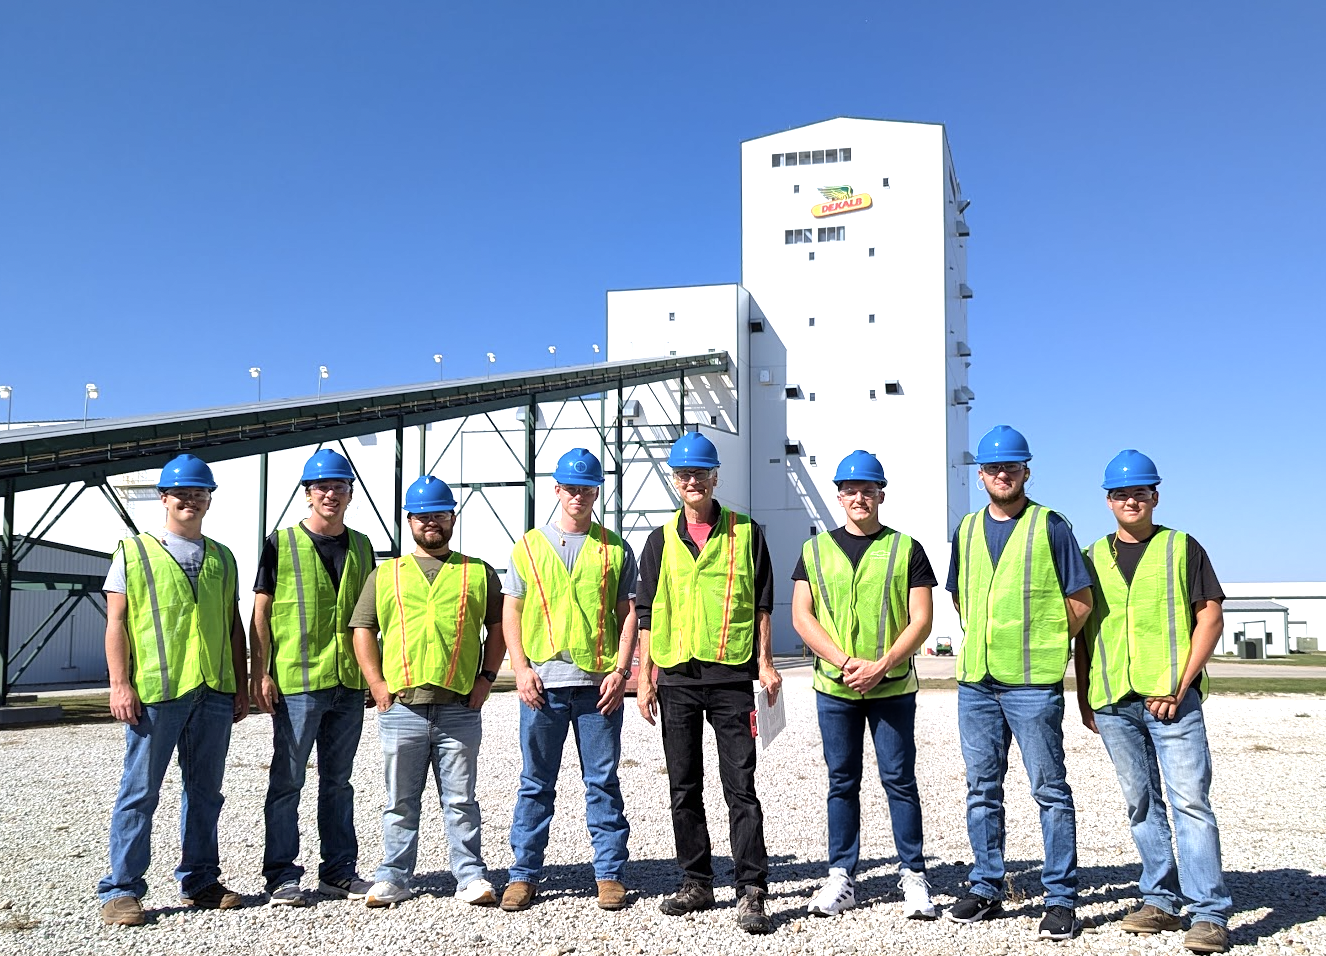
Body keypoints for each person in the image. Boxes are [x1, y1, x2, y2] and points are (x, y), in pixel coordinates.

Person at [1075, 450, 1232, 954]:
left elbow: (1210, 618)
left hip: (1172, 701)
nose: (1130, 501)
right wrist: (1084, 695)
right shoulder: (1090, 556)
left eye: (1139, 493)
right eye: (1120, 494)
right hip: (1114, 701)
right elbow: (1083, 632)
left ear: (1154, 497)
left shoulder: (1182, 549)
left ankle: (1209, 913)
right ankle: (1159, 900)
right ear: (1108, 501)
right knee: (1141, 803)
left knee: (1190, 803)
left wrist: (1181, 685)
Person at [944, 425, 1093, 940]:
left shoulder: (1050, 526)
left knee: (1049, 790)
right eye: (992, 467)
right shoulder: (965, 529)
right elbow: (962, 597)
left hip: (1032, 684)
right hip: (977, 684)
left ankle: (1060, 899)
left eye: (1011, 466)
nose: (1001, 474)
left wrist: (1043, 643)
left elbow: (1080, 601)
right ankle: (986, 886)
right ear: (980, 474)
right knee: (982, 789)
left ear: (1026, 471)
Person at [635, 431, 780, 935]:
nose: (691, 481)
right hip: (675, 675)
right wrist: (645, 675)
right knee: (683, 786)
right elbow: (648, 610)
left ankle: (751, 888)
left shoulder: (746, 532)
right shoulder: (659, 540)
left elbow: (762, 603)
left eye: (699, 473)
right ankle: (696, 881)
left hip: (732, 674)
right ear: (675, 481)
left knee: (740, 786)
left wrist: (764, 662)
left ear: (716, 477)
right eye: (683, 474)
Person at [98, 454, 249, 926]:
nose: (191, 499)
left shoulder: (223, 556)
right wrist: (120, 684)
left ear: (209, 499)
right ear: (163, 498)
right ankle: (122, 890)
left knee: (206, 792)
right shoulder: (133, 552)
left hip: (214, 691)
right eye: (182, 493)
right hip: (157, 693)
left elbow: (232, 625)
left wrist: (239, 685)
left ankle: (200, 880)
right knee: (140, 791)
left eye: (199, 492)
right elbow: (117, 623)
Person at [790, 451, 937, 920]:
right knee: (841, 781)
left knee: (899, 780)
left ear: (881, 495)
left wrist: (883, 663)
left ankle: (914, 875)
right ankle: (841, 877)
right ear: (839, 496)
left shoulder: (906, 548)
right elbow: (801, 615)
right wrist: (846, 661)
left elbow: (922, 619)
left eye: (867, 489)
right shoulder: (814, 550)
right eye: (850, 490)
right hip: (836, 687)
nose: (859, 497)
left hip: (891, 687)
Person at [350, 475, 506, 908]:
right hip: (402, 706)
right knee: (400, 801)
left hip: (458, 705)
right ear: (410, 521)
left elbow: (498, 628)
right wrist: (377, 684)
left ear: (452, 517)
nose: (430, 523)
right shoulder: (387, 574)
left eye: (438, 514)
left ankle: (470, 876)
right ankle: (394, 877)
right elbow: (362, 628)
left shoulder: (477, 571)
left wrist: (486, 678)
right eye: (422, 516)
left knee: (460, 800)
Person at [500, 448, 638, 913]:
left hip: (599, 685)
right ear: (556, 490)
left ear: (597, 491)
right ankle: (522, 875)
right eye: (570, 487)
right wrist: (520, 669)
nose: (578, 495)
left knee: (602, 781)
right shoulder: (528, 547)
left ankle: (609, 875)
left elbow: (627, 615)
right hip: (542, 684)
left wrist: (622, 671)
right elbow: (512, 611)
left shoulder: (615, 548)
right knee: (535, 782)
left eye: (587, 488)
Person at [250, 449, 376, 905]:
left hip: (347, 682)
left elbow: (370, 616)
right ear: (307, 494)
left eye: (338, 487)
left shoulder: (363, 546)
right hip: (297, 681)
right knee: (287, 780)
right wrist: (260, 672)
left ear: (349, 494)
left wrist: (371, 676)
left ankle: (339, 871)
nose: (330, 494)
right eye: (321, 487)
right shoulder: (279, 543)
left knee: (339, 782)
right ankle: (281, 875)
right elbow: (261, 611)